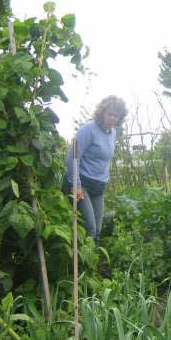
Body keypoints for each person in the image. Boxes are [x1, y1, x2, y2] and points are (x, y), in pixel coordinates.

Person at [63, 95, 128, 243]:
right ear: (102, 113)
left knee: (98, 230)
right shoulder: (88, 130)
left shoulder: (113, 134)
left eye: (116, 116)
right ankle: (84, 263)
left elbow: (104, 160)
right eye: (110, 114)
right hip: (82, 185)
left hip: (98, 188)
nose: (112, 118)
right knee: (90, 229)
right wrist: (76, 186)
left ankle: (93, 263)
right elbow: (72, 157)